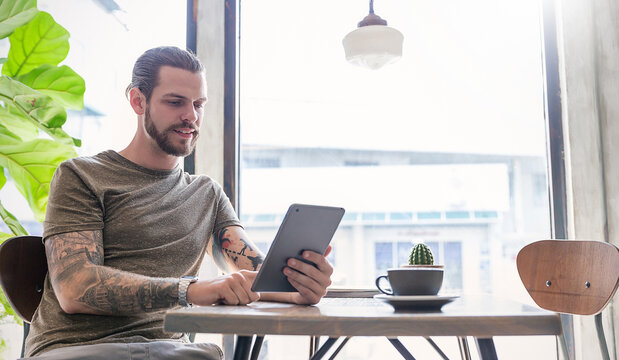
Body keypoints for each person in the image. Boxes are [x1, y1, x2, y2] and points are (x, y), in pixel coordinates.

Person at [23, 46, 333, 359]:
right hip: (78, 349)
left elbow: (252, 271)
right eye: (175, 102)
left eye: (199, 104)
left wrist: (297, 285)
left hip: (169, 351)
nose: (191, 116)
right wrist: (190, 290)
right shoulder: (82, 176)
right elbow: (75, 288)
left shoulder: (206, 193)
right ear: (137, 100)